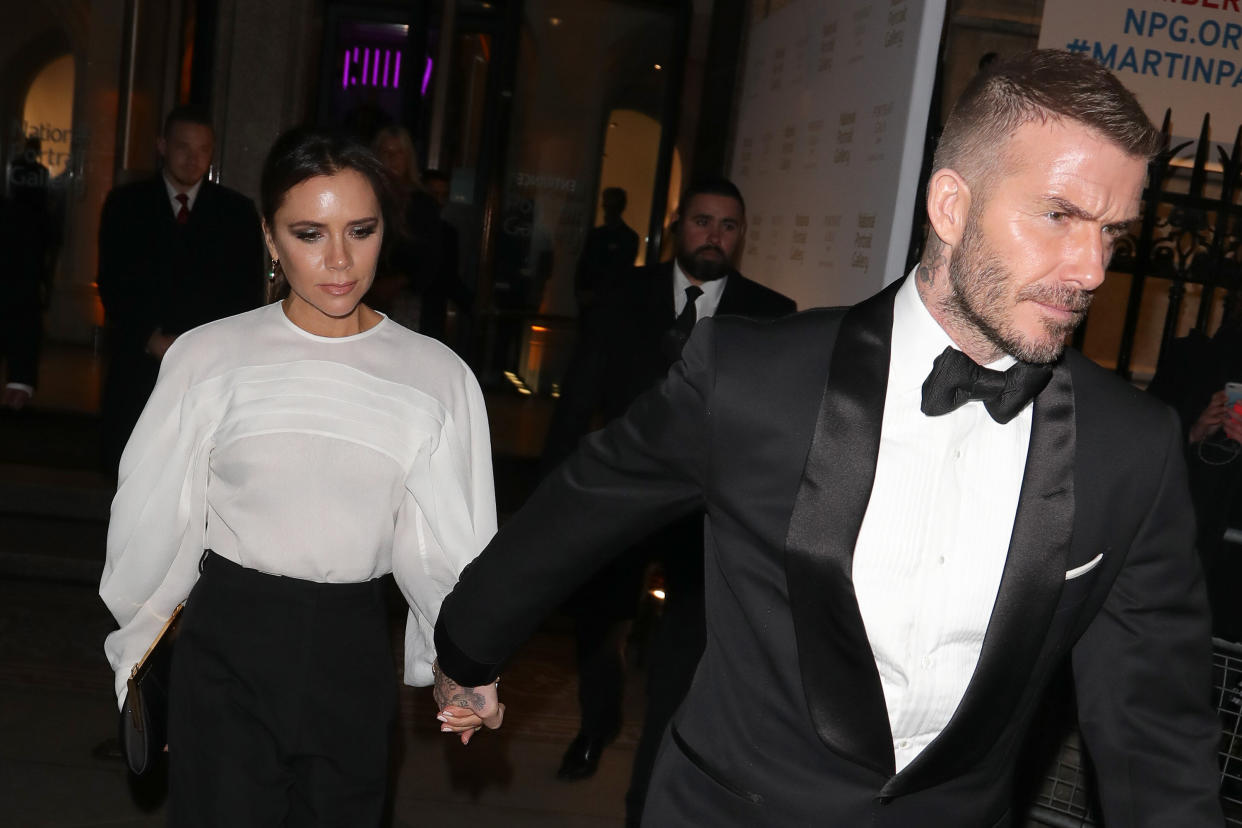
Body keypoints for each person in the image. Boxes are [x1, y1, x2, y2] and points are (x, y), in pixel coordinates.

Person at [432, 50, 1225, 826]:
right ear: (951, 206)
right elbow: (583, 504)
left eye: (1113, 234)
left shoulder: (1130, 449)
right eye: (1059, 215)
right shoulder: (755, 379)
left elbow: (1156, 734)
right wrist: (468, 653)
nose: (1090, 268)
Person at [100, 129, 501, 825]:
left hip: (351, 651)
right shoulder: (209, 357)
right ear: (270, 237)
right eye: (310, 233)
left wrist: (462, 666)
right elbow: (154, 525)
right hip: (227, 644)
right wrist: (138, 665)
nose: (339, 260)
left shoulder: (436, 377)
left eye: (362, 230)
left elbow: (443, 550)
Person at [542, 178, 794, 799]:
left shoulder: (771, 316)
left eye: (728, 226)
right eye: (703, 221)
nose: (714, 236)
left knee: (684, 654)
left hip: (706, 516)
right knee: (598, 619)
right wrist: (556, 492)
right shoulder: (622, 295)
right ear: (679, 225)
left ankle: (651, 777)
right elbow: (579, 396)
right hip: (620, 500)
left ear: (741, 236)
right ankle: (598, 723)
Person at [97, 106, 265, 474]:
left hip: (209, 367)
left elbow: (248, 293)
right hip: (140, 360)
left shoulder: (235, 212)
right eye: (182, 147)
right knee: (131, 468)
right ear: (162, 146)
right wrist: (149, 337)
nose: (193, 158)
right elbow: (113, 282)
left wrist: (209, 346)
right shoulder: (126, 205)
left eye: (202, 149)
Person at [574, 187, 640, 310]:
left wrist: (588, 292)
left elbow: (620, 270)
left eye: (611, 206)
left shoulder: (627, 238)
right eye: (607, 206)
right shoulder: (598, 235)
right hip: (597, 300)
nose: (607, 210)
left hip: (608, 301)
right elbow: (584, 264)